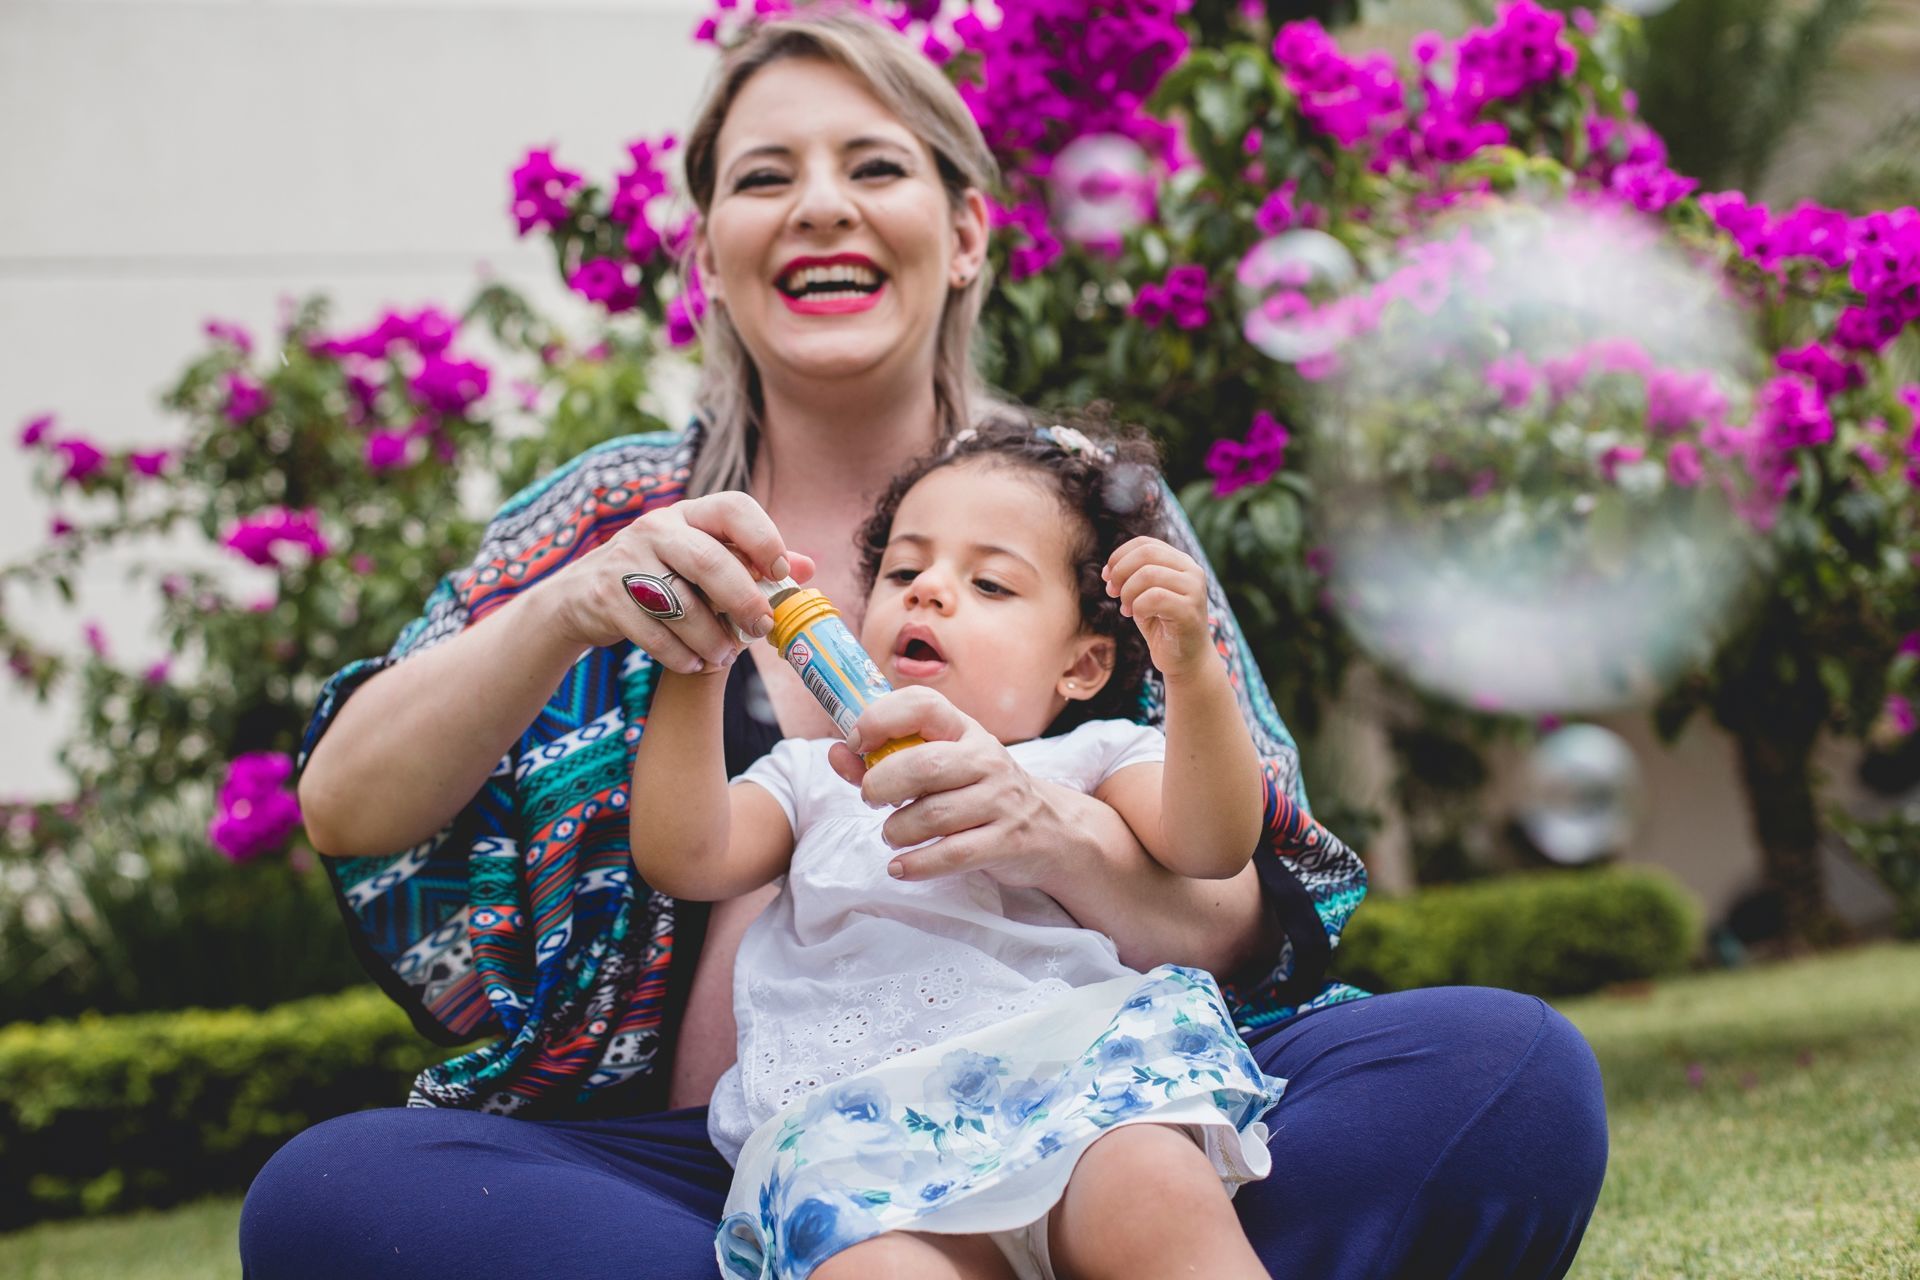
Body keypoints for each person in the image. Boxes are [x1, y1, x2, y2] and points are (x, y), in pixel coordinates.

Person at [240, 11, 1608, 1279]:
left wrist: (1054, 833)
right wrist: (569, 609)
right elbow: (350, 801)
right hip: (717, 1163)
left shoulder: (1085, 503)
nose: (821, 204)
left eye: (873, 166)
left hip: (1096, 1100)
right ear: (703, 251)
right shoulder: (614, 511)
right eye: (766, 176)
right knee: (335, 1195)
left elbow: (1240, 897)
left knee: (1507, 1067)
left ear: (964, 232)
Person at [637, 417, 1286, 1279]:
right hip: (854, 1137)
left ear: (1084, 667)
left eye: (989, 584)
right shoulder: (812, 776)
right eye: (904, 571)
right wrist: (698, 662)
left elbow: (1213, 844)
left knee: (1158, 1199)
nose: (929, 591)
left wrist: (1194, 672)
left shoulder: (1091, 760)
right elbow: (685, 856)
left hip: (1079, 1088)